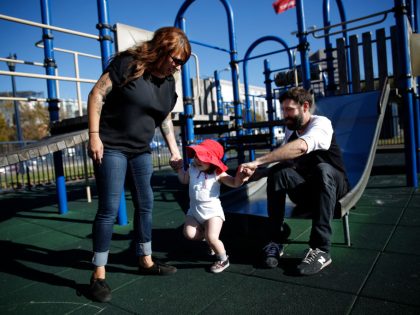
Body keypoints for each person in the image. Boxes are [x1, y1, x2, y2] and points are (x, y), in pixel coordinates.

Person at [87, 26, 191, 302]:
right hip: (111, 147)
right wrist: (94, 137)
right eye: (176, 59)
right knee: (109, 209)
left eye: (182, 62)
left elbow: (165, 118)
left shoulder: (168, 83)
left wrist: (173, 151)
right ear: (162, 50)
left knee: (146, 205)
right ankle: (98, 274)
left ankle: (144, 260)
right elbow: (97, 93)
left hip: (141, 151)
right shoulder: (129, 64)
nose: (178, 66)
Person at [241, 87, 349, 276]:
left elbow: (300, 148)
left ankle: (321, 249)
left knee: (322, 169)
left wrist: (257, 161)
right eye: (283, 110)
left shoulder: (321, 124)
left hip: (333, 187)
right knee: (279, 172)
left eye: (289, 110)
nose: (285, 115)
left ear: (305, 106)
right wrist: (258, 173)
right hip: (308, 191)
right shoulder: (292, 133)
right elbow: (286, 159)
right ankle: (275, 240)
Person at [176, 139, 250, 273]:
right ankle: (207, 239)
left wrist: (240, 178)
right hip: (194, 210)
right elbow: (184, 179)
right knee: (189, 234)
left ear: (212, 161)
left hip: (212, 212)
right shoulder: (192, 168)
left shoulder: (217, 173)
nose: (198, 160)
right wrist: (179, 169)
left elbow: (233, 183)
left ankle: (223, 259)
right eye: (197, 156)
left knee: (212, 238)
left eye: (203, 158)